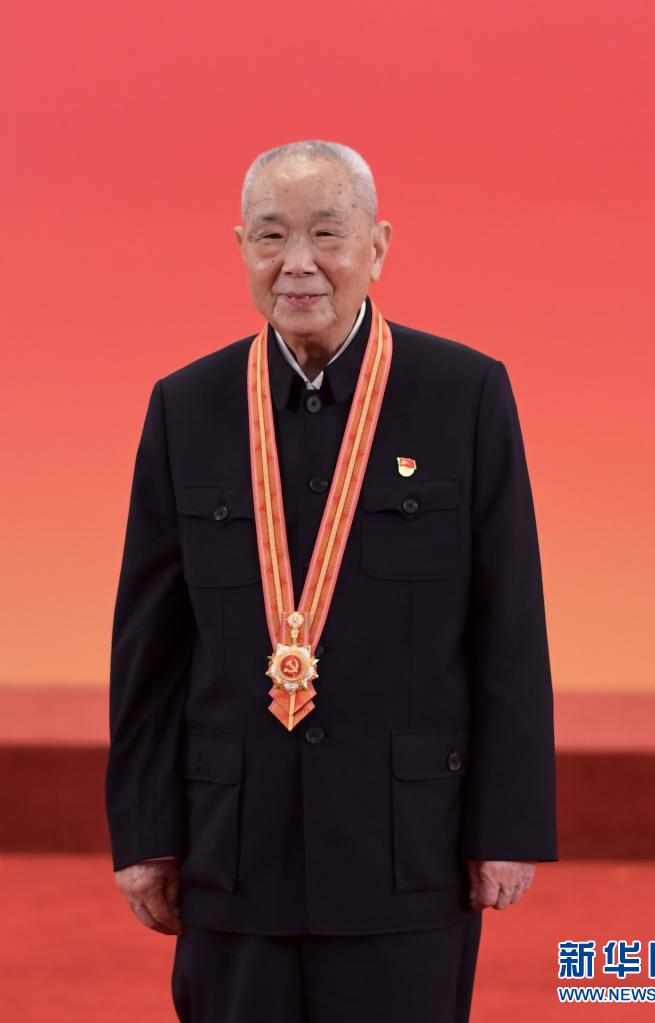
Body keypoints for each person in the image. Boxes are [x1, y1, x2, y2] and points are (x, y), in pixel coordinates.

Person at [105, 140, 557, 1022]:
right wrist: (145, 831)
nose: (298, 263)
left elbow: (508, 623)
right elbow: (148, 649)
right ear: (241, 247)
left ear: (376, 246)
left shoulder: (462, 394)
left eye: (326, 232)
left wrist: (506, 826)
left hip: (407, 847)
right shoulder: (186, 407)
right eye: (271, 235)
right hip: (232, 849)